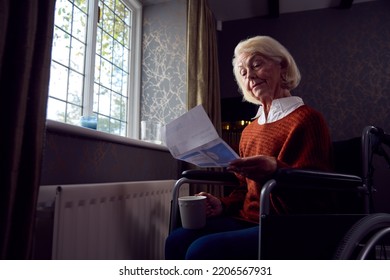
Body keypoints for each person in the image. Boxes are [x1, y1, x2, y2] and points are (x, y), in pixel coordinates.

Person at [165, 35, 333, 260]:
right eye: (243, 73)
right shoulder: (249, 131)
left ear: (282, 65)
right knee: (176, 239)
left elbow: (316, 193)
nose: (250, 75)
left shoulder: (307, 119)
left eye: (256, 64)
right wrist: (222, 205)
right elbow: (244, 189)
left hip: (287, 224)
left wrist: (275, 169)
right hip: (247, 219)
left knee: (201, 251)